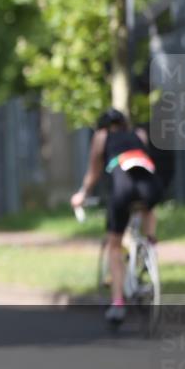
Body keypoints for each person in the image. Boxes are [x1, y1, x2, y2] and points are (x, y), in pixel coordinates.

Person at [71, 108, 162, 324]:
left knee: (114, 246)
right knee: (147, 207)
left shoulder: (101, 136)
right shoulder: (139, 134)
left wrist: (83, 193)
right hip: (150, 185)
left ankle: (118, 302)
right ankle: (149, 247)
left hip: (123, 187)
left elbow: (94, 170)